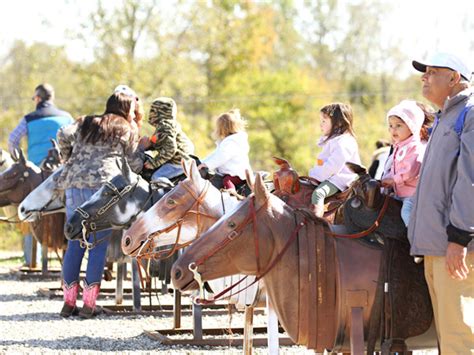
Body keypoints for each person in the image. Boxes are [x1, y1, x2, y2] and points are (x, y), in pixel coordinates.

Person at [56, 92, 144, 318]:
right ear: (126, 109)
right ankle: (89, 305)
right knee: (97, 244)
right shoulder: (126, 128)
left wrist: (68, 158)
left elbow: (62, 134)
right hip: (104, 190)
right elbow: (134, 163)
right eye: (133, 110)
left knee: (75, 241)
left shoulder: (87, 122)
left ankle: (68, 303)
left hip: (74, 183)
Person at [408, 52, 473, 353]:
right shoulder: (446, 116)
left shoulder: (469, 113)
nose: (424, 77)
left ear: (454, 78)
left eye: (432, 71)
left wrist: (459, 238)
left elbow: (470, 182)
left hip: (457, 249)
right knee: (449, 341)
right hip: (438, 247)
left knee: (460, 339)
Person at [8, 83, 73, 267]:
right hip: (61, 173)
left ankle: (31, 260)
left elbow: (12, 140)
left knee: (29, 209)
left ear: (37, 98)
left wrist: (20, 160)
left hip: (35, 174)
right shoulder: (66, 117)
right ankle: (67, 257)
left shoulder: (29, 119)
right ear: (51, 98)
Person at [308, 103, 361, 217]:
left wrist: (317, 176)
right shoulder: (333, 141)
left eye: (324, 121)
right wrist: (315, 172)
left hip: (341, 179)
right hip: (331, 177)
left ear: (338, 123)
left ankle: (316, 221)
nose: (320, 124)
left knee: (318, 194)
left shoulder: (344, 142)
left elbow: (333, 166)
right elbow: (321, 162)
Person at [380, 100, 426, 227]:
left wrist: (393, 180)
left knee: (406, 213)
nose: (393, 129)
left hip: (412, 194)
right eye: (390, 125)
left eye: (398, 125)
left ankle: (415, 239)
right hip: (399, 193)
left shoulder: (414, 147)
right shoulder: (399, 146)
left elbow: (411, 170)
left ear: (411, 127)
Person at [140, 97, 194, 180]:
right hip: (179, 160)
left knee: (156, 178)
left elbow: (170, 149)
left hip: (178, 162)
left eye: (153, 111)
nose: (150, 114)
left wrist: (153, 163)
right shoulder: (166, 125)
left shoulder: (165, 126)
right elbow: (161, 141)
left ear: (160, 113)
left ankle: (168, 193)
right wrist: (147, 145)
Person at [198, 109, 252, 191]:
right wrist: (202, 162)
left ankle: (232, 194)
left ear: (222, 128)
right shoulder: (230, 141)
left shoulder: (231, 142)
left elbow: (221, 157)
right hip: (234, 172)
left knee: (227, 181)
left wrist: (207, 165)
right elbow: (215, 154)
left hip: (237, 174)